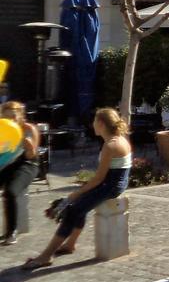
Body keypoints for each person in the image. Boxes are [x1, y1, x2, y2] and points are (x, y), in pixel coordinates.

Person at [23, 108, 132, 270]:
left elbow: (100, 178)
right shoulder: (117, 140)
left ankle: (46, 255)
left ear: (101, 123)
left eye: (94, 121)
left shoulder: (111, 145)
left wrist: (77, 193)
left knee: (73, 210)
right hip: (113, 183)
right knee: (79, 207)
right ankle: (70, 244)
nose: (92, 124)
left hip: (111, 186)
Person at [0, 101, 40, 245]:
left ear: (20, 117)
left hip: (26, 164)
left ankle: (12, 232)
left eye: (13, 117)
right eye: (6, 117)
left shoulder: (28, 129)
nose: (10, 121)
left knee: (10, 192)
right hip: (5, 164)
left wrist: (27, 144)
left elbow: (31, 155)